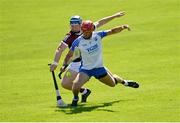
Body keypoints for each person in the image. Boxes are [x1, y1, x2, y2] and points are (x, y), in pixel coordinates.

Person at [50, 12, 126, 106]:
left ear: (80, 24)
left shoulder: (88, 27)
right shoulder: (70, 37)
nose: (73, 27)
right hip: (76, 63)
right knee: (65, 84)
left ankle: (120, 80)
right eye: (71, 24)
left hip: (90, 61)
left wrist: (115, 16)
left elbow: (101, 22)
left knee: (110, 81)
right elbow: (60, 49)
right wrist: (56, 63)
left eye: (75, 24)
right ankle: (84, 92)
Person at [62, 20, 139, 107]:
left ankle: (125, 82)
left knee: (113, 84)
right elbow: (69, 55)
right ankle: (75, 99)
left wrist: (122, 27)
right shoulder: (78, 41)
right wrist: (64, 65)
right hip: (86, 70)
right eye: (83, 31)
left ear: (91, 30)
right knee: (76, 85)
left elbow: (112, 31)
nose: (85, 33)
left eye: (87, 31)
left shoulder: (98, 35)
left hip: (99, 68)